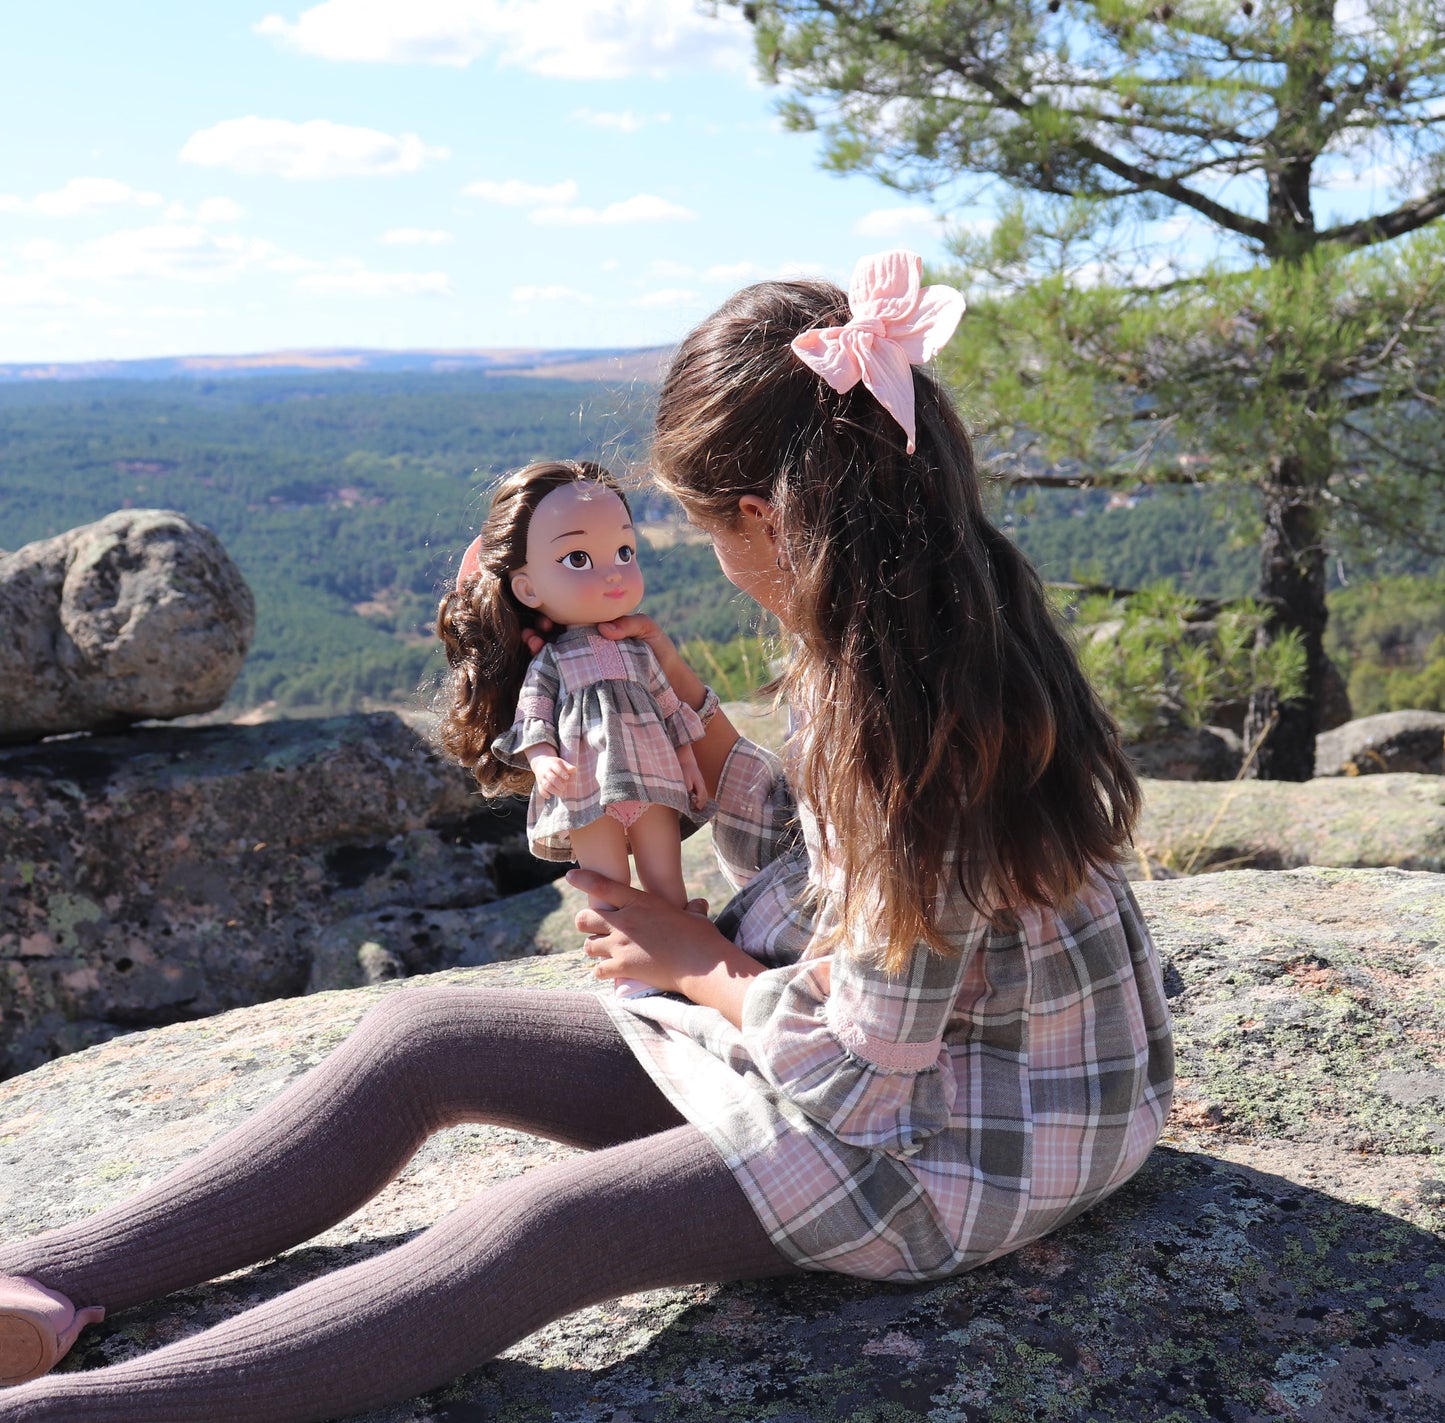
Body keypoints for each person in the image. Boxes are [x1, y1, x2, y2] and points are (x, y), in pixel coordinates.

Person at [0, 249, 1173, 1422]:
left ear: (762, 521)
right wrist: (703, 734)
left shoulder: (919, 733)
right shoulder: (918, 617)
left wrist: (691, 959)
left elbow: (862, 1077)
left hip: (962, 1144)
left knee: (534, 1231)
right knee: (425, 1031)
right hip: (940, 1063)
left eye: (697, 526)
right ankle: (50, 1279)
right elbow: (834, 864)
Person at [436, 459, 708, 997]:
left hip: (653, 777)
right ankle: (627, 966)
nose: (612, 571)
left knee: (664, 872)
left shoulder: (639, 650)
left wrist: (690, 762)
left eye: (625, 552)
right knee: (607, 885)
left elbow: (668, 705)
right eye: (578, 558)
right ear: (528, 588)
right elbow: (533, 713)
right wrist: (540, 758)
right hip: (584, 785)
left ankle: (685, 945)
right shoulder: (554, 661)